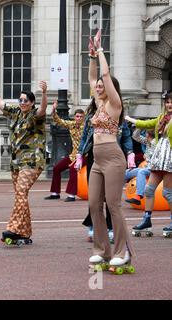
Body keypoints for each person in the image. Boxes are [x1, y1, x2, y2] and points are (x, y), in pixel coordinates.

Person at [0, 71, 48, 245]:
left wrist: (44, 93)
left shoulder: (34, 116)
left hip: (32, 161)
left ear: (31, 103)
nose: (22, 103)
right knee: (20, 195)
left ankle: (14, 228)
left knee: (21, 192)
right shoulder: (15, 113)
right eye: (21, 100)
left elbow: (43, 110)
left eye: (26, 100)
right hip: (16, 162)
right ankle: (25, 231)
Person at [85, 30, 134, 272]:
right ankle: (101, 250)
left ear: (112, 88)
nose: (99, 87)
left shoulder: (115, 104)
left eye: (104, 86)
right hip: (97, 159)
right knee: (94, 204)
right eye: (99, 87)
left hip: (114, 157)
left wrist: (101, 50)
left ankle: (122, 252)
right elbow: (93, 77)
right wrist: (91, 56)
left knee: (113, 205)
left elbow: (103, 74)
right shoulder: (98, 102)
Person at [76, 99, 135, 242]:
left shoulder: (117, 115)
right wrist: (80, 154)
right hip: (94, 156)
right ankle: (94, 225)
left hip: (113, 156)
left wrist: (130, 153)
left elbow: (126, 136)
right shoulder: (92, 117)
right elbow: (85, 137)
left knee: (110, 196)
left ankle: (111, 227)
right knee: (95, 196)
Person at [125, 90, 172, 238]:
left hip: (170, 158)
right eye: (168, 102)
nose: (170, 104)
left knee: (167, 193)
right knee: (148, 190)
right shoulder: (161, 118)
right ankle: (146, 220)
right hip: (158, 158)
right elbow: (146, 123)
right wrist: (128, 118)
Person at [45, 102, 85, 202]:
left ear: (83, 118)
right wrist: (53, 110)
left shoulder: (87, 128)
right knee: (56, 168)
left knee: (73, 168)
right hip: (73, 155)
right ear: (74, 117)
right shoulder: (71, 125)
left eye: (81, 117)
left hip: (85, 156)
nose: (79, 118)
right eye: (77, 116)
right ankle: (55, 193)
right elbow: (59, 121)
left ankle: (71, 195)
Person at [124, 129, 155, 206]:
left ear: (147, 134)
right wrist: (139, 127)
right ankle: (112, 194)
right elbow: (135, 136)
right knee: (125, 173)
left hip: (155, 169)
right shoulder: (147, 141)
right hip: (147, 167)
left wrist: (147, 158)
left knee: (141, 172)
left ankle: (138, 196)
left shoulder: (157, 143)